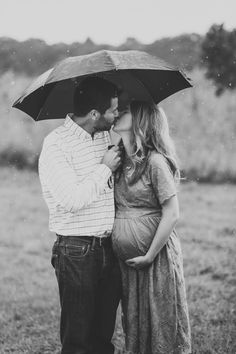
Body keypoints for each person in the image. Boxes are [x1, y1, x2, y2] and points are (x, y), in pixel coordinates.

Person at [38, 77, 122, 354]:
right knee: (78, 340)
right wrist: (105, 169)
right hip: (77, 251)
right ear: (95, 113)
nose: (117, 115)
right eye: (113, 110)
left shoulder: (102, 137)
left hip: (109, 247)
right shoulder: (56, 146)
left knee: (102, 337)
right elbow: (72, 200)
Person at [112, 101, 191, 354]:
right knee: (136, 319)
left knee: (159, 320)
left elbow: (172, 212)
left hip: (155, 258)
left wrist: (149, 254)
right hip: (129, 262)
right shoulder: (118, 160)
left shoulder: (155, 162)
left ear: (139, 121)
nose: (116, 113)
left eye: (123, 111)